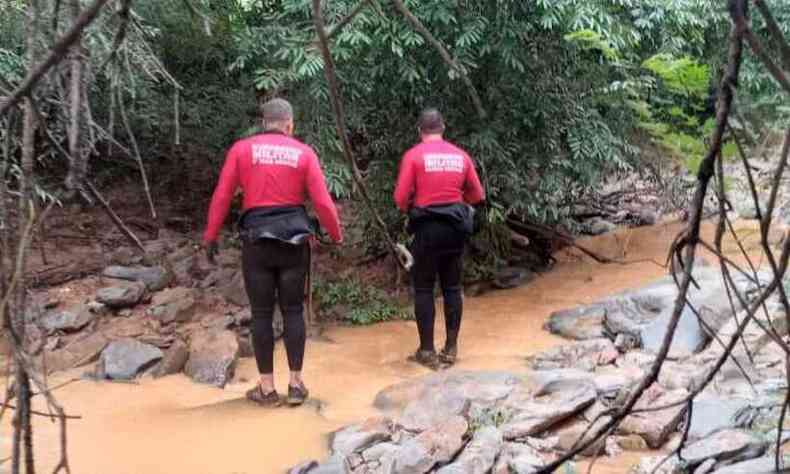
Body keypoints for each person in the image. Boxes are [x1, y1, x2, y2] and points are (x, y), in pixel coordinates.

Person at [203, 98, 342, 406]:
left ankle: (266, 388)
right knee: (293, 310)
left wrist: (210, 236)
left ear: (264, 123)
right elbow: (322, 202)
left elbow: (223, 195)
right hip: (294, 242)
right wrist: (336, 234)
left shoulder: (241, 150)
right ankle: (295, 384)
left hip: (257, 242)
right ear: (290, 124)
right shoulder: (303, 153)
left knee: (262, 314)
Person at [393, 108, 485, 370]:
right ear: (443, 128)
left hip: (427, 229)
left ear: (419, 130)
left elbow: (400, 198)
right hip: (456, 228)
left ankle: (427, 351)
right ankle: (451, 348)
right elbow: (477, 195)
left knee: (424, 288)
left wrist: (415, 204)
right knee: (452, 287)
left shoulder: (414, 156)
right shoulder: (461, 156)